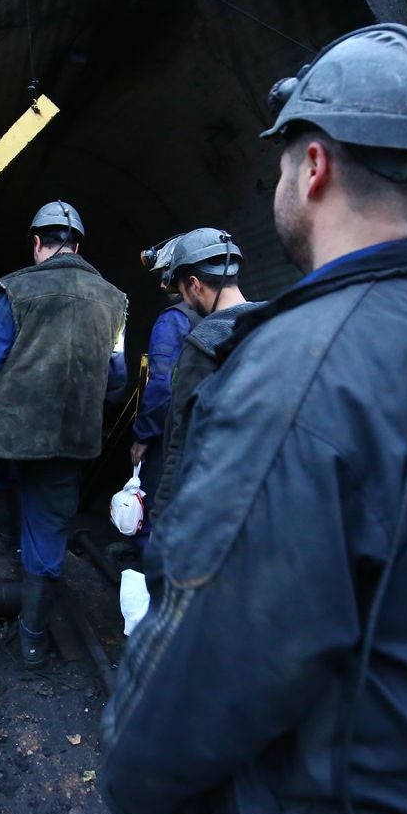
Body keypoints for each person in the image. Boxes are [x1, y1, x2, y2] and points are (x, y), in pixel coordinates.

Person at [101, 24, 407, 814]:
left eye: (279, 162)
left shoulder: (298, 369)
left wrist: (127, 772)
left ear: (312, 167)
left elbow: (219, 649)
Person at [0, 200, 128, 668]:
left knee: (2, 502)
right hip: (69, 443)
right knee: (48, 531)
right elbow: (118, 379)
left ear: (37, 243)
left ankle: (9, 563)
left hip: (6, 439)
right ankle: (32, 638)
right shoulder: (114, 302)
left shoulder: (15, 291)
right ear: (78, 246)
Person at [143, 228, 260, 572]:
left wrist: (161, 518)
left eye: (181, 289)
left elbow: (181, 439)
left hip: (209, 503)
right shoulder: (274, 323)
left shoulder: (203, 343)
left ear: (194, 284)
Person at [127, 237, 200, 550]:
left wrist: (143, 435)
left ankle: (150, 587)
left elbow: (161, 386)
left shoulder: (172, 321)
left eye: (166, 273)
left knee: (153, 514)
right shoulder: (241, 316)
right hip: (212, 441)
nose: (161, 284)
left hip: (170, 438)